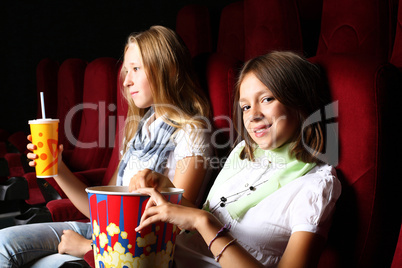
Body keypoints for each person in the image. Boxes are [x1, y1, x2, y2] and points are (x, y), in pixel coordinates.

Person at [0, 25, 213, 267]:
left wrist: (87, 247)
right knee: (2, 242)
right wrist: (57, 168)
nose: (126, 81)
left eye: (136, 69)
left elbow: (177, 228)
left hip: (138, 245)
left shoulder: (192, 131)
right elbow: (100, 210)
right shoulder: (141, 126)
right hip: (105, 231)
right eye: (126, 70)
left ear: (167, 70)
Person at [133, 51, 342, 267]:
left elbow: (203, 222)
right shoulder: (243, 152)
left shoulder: (316, 186)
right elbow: (203, 222)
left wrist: (203, 222)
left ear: (300, 101)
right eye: (246, 106)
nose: (253, 116)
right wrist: (168, 191)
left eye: (267, 99)